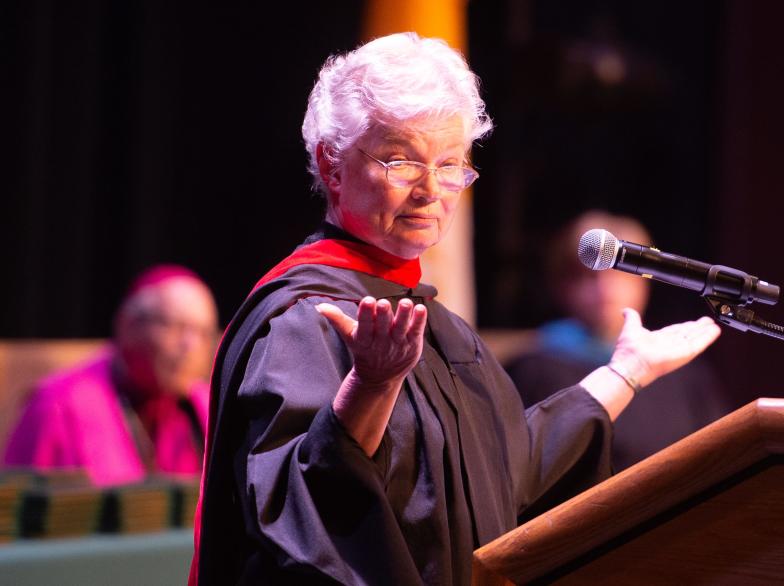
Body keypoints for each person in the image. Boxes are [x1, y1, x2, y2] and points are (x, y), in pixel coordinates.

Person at [192, 32, 721, 585]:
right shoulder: (304, 318)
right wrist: (371, 385)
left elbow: (506, 472)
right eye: (401, 161)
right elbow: (299, 511)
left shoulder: (442, 328)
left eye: (450, 164)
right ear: (332, 165)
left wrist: (625, 373)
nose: (431, 190)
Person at [507, 211, 732, 471]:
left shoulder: (686, 375)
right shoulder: (536, 370)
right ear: (563, 286)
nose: (605, 289)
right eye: (589, 277)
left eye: (620, 275)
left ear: (644, 284)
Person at [4, 265, 219, 487]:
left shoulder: (207, 407)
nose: (191, 346)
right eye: (176, 327)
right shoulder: (60, 405)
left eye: (204, 333)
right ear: (128, 325)